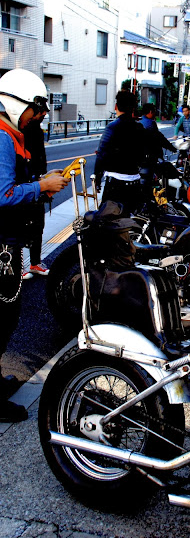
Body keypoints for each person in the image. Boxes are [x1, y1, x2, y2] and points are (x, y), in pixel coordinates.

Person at [0, 68, 68, 423]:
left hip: (7, 239)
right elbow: (2, 194)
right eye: (34, 108)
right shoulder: (3, 136)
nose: (37, 115)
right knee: (2, 316)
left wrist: (41, 181)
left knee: (7, 314)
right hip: (1, 242)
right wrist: (41, 187)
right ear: (16, 103)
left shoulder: (11, 134)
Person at [94, 89, 150, 216]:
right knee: (131, 219)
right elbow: (144, 155)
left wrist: (97, 177)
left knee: (108, 220)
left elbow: (101, 155)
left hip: (115, 184)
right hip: (135, 182)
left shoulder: (112, 127)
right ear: (133, 109)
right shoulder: (139, 128)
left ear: (116, 106)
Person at [22, 108, 50, 279]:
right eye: (41, 112)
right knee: (19, 224)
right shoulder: (20, 129)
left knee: (38, 223)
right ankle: (15, 266)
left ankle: (34, 263)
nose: (44, 114)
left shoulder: (37, 130)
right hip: (23, 182)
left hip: (37, 181)